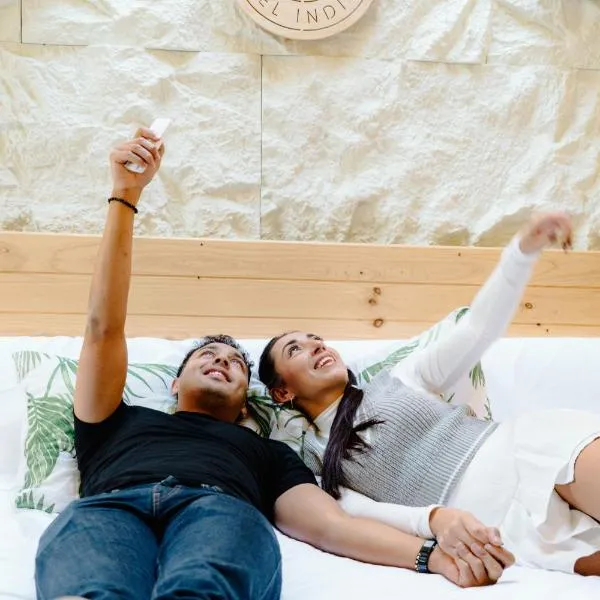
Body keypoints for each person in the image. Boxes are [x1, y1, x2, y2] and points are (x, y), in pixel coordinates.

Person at [35, 129, 516, 600]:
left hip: (218, 507)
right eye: (207, 355)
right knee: (89, 586)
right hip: (111, 507)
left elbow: (331, 527)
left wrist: (432, 557)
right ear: (175, 383)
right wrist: (125, 195)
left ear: (248, 402)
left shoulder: (268, 455)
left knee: (205, 584)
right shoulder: (112, 420)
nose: (222, 361)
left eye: (235, 363)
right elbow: (103, 328)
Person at [258, 212, 600, 577]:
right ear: (281, 392)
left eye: (316, 339)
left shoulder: (399, 378)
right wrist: (434, 520)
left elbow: (478, 329)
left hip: (529, 451)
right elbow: (358, 516)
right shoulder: (314, 460)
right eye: (295, 349)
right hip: (497, 526)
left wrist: (521, 252)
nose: (316, 346)